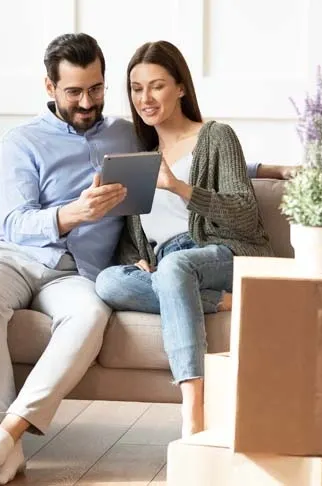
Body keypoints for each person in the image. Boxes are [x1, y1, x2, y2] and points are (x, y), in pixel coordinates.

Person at [94, 40, 292, 438]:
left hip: (224, 252)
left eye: (157, 85)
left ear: (181, 87)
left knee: (175, 266)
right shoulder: (140, 154)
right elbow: (137, 236)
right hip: (170, 264)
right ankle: (223, 302)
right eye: (136, 88)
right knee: (108, 281)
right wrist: (138, 259)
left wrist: (180, 187)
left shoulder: (216, 137)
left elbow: (245, 214)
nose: (145, 98)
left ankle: (192, 412)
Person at [0, 33, 139, 485]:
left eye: (96, 89)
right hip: (12, 257)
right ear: (50, 87)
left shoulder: (126, 134)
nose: (88, 102)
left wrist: (265, 169)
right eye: (74, 92)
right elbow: (12, 221)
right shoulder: (21, 141)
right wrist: (70, 215)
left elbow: (187, 150)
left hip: (76, 272)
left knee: (90, 315)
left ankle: (6, 436)